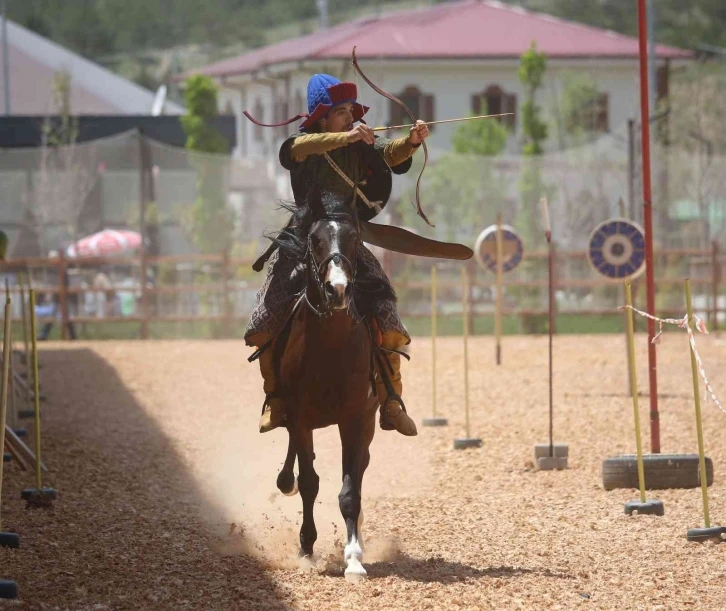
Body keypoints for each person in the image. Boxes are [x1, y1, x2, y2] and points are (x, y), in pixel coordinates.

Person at [244, 73, 430, 436]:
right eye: (341, 112)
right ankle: (276, 398)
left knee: (387, 312)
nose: (350, 118)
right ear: (322, 118)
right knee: (265, 317)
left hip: (347, 241)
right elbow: (295, 150)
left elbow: (389, 154)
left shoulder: (359, 145)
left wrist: (410, 140)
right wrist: (345, 137)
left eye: (350, 111)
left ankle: (391, 400)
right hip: (305, 242)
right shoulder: (303, 144)